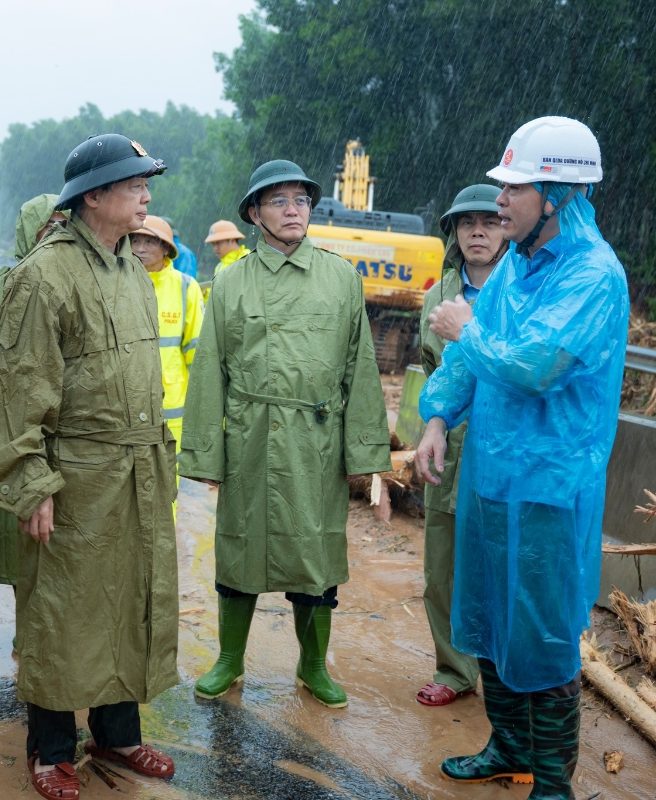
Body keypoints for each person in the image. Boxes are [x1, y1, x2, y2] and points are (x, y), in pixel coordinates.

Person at [415, 116, 628, 799]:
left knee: (542, 631)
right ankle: (508, 745)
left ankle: (554, 781)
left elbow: (535, 366)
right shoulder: (518, 264)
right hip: (492, 476)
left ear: (558, 194)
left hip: (549, 485)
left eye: (513, 189)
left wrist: (469, 329)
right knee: (485, 615)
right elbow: (471, 365)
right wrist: (439, 416)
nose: (499, 202)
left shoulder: (594, 278)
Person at [0, 134, 178, 800]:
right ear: (93, 195)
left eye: (147, 184)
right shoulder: (45, 274)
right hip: (75, 477)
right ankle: (52, 746)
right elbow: (14, 390)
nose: (147, 195)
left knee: (126, 603)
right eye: (134, 184)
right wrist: (31, 482)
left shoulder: (130, 270)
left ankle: (118, 733)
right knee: (62, 612)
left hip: (135, 473)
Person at [178, 160, 391, 708]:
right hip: (251, 435)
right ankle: (229, 659)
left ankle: (312, 665)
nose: (294, 209)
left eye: (300, 199)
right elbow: (211, 369)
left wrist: (365, 452)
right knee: (240, 548)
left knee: (315, 551)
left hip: (316, 440)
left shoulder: (341, 277)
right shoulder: (231, 279)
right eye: (279, 201)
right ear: (254, 215)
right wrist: (205, 453)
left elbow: (359, 368)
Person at [414, 184, 507, 708]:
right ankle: (453, 669)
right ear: (453, 232)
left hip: (503, 444)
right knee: (442, 564)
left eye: (488, 221)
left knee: (498, 559)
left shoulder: (522, 287)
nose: (477, 231)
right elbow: (432, 372)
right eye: (466, 222)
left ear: (504, 229)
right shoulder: (438, 295)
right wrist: (432, 427)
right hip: (448, 443)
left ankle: (500, 671)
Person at [0, 194, 66, 591]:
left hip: (66, 431)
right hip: (12, 429)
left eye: (66, 226)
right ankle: (25, 629)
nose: (58, 236)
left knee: (66, 533)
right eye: (50, 227)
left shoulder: (84, 285)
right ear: (30, 232)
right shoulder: (1, 290)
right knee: (19, 526)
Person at [129, 214, 203, 452]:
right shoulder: (117, 282)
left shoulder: (185, 287)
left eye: (149, 242)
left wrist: (202, 405)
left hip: (172, 403)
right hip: (126, 402)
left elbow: (198, 351)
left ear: (165, 248)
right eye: (135, 241)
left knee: (170, 474)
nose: (140, 249)